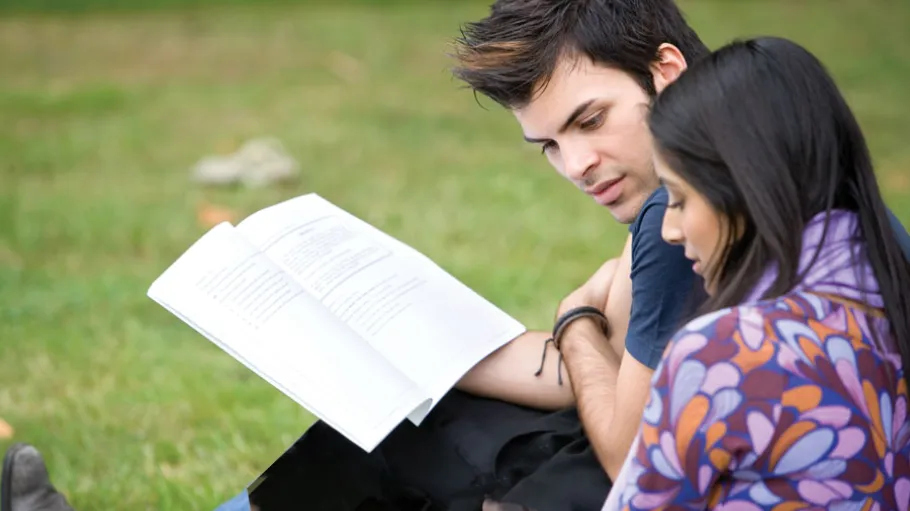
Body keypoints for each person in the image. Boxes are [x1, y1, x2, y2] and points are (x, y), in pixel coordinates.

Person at [5, 1, 910, 510]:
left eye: (589, 122)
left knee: (429, 449)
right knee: (428, 412)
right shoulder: (773, 174)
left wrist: (582, 321)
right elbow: (578, 362)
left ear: (666, 72)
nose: (578, 165)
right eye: (549, 145)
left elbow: (627, 437)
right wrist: (400, 332)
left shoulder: (703, 224)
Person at [601, 35, 910, 510]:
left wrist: (576, 321)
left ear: (744, 189)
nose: (670, 229)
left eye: (679, 199)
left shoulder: (723, 353)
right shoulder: (891, 297)